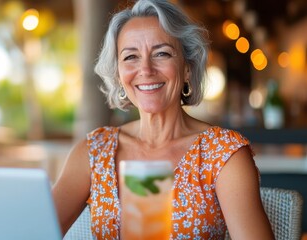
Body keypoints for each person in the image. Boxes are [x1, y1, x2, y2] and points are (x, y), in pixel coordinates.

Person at [52, 0, 274, 239]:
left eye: (161, 53)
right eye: (130, 57)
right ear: (118, 73)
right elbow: (32, 230)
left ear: (187, 67)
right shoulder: (95, 151)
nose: (145, 70)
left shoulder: (222, 153)